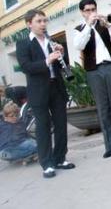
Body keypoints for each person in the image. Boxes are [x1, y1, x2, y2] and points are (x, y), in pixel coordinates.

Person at [16, 9, 75, 178]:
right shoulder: (23, 44)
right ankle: (47, 164)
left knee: (61, 124)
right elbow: (26, 67)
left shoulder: (51, 41)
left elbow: (60, 64)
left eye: (44, 21)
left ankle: (60, 158)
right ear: (29, 24)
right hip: (38, 90)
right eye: (39, 21)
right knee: (42, 128)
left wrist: (61, 54)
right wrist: (47, 60)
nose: (43, 24)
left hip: (56, 86)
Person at [74, 0, 111, 159]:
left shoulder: (105, 25)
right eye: (88, 10)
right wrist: (88, 25)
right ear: (82, 12)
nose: (92, 12)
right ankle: (110, 145)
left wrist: (110, 27)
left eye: (93, 9)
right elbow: (79, 45)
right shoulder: (80, 29)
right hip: (94, 71)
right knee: (103, 107)